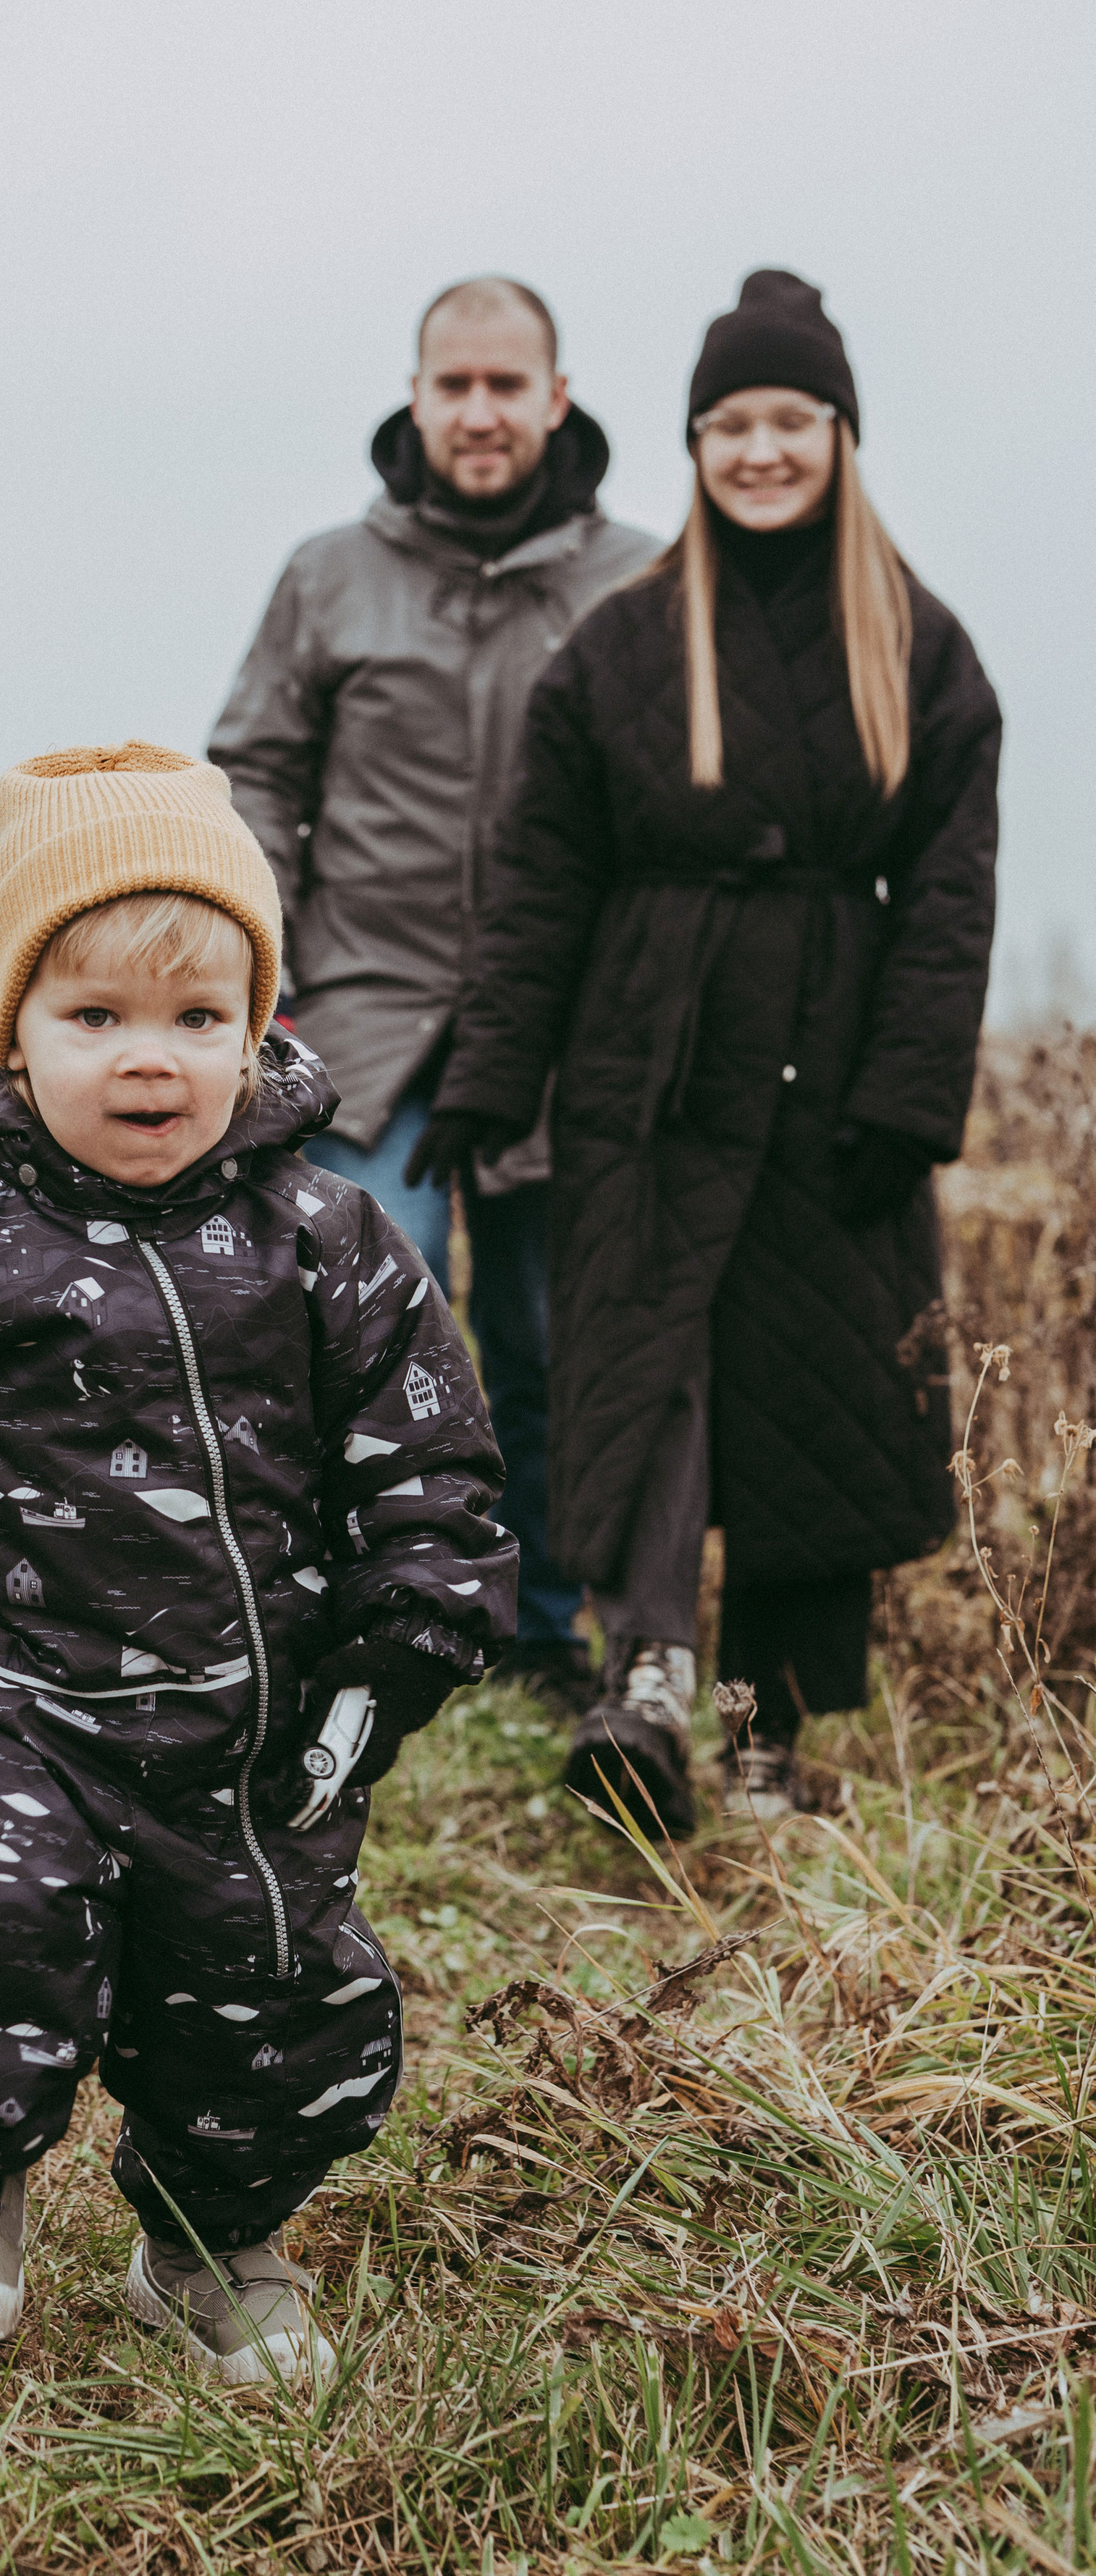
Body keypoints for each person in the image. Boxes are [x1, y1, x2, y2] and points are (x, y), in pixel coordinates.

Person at [0, 742, 516, 2378]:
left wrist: (402, 1642)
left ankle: (213, 2244)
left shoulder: (331, 1244)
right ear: (15, 1027)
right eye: (95, 1020)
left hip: (252, 1722)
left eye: (195, 1020)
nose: (150, 1062)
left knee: (268, 1997)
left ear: (256, 1029)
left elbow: (431, 1463)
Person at [417, 271, 1001, 1834]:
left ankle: (765, 1738)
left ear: (837, 434)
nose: (758, 450)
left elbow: (949, 891)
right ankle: (648, 1679)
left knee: (809, 1389)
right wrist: (489, 1075)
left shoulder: (918, 647)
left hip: (835, 1076)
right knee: (643, 1362)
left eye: (787, 419)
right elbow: (543, 881)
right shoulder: (614, 652)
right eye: (729, 421)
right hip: (646, 1066)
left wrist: (907, 1098)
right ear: (690, 441)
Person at [209, 278, 657, 1706]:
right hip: (361, 1020)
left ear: (555, 398)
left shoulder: (638, 582)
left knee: (540, 1345)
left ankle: (534, 1630)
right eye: (450, 385)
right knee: (366, 1327)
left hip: (560, 1037)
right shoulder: (325, 574)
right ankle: (367, 1619)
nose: (477, 412)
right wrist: (254, 974)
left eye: (503, 386)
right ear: (414, 397)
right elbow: (257, 775)